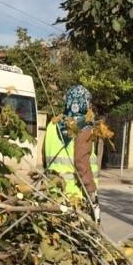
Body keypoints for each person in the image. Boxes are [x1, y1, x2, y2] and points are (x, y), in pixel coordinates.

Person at [44, 84, 100, 220]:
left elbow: (44, 156)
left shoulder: (52, 125)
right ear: (82, 103)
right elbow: (82, 163)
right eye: (88, 102)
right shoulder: (84, 128)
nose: (89, 107)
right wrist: (92, 196)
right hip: (75, 198)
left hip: (54, 192)